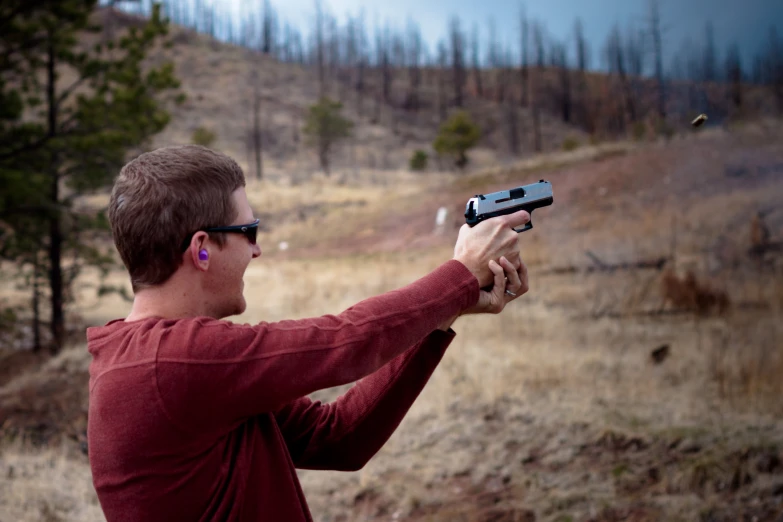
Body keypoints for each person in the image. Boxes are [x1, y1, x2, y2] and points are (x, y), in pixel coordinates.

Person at [87, 145, 530, 522]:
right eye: (249, 232)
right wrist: (460, 275)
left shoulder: (165, 365)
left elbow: (340, 438)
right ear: (202, 248)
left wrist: (443, 316)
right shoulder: (172, 363)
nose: (257, 249)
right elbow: (346, 340)